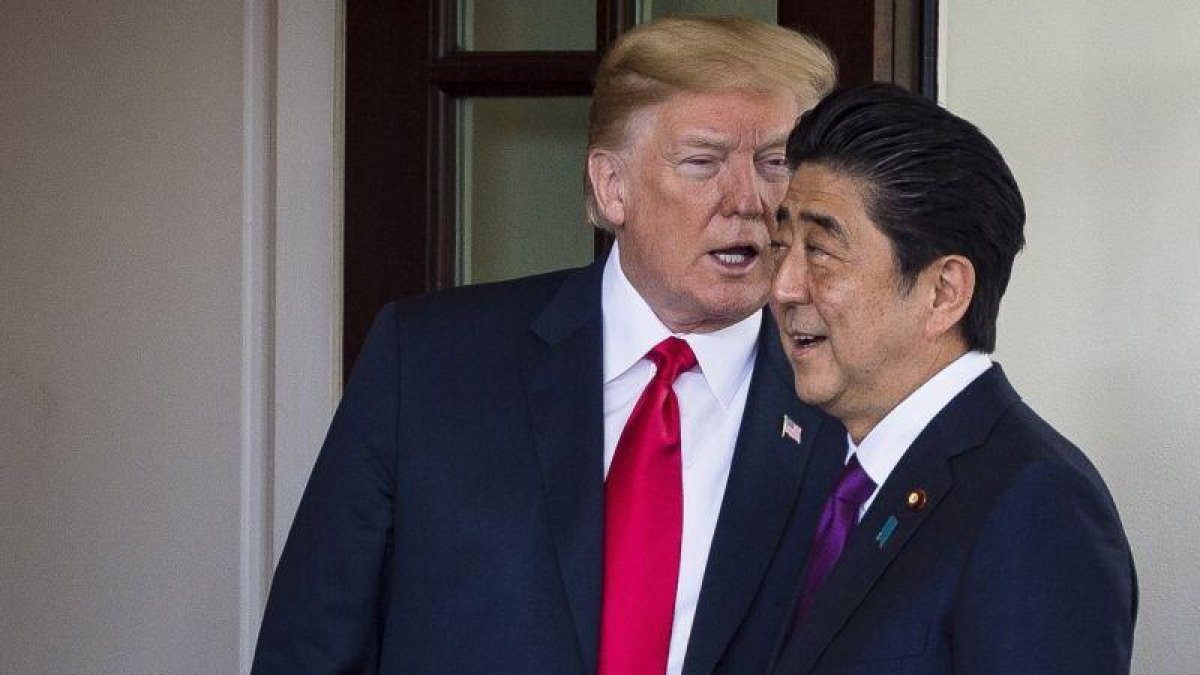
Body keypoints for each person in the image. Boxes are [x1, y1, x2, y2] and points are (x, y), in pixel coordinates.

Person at [252, 17, 843, 675]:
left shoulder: (848, 402)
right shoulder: (428, 361)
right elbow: (310, 649)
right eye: (702, 162)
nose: (749, 200)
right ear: (611, 186)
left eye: (774, 163)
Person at [766, 83, 1137, 674]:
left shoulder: (1036, 502)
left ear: (944, 293)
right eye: (781, 245)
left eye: (821, 252)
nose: (783, 287)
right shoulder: (826, 476)